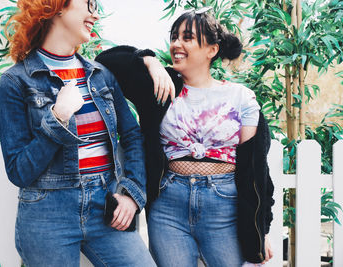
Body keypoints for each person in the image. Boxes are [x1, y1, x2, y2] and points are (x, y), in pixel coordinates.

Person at [96, 8, 275, 267]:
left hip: (224, 206)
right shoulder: (161, 88)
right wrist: (150, 61)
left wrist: (261, 231)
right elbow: (106, 61)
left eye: (187, 37)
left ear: (212, 50)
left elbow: (255, 170)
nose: (176, 44)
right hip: (169, 206)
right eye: (174, 37)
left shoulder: (240, 98)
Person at [0, 0, 157, 266]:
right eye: (89, 4)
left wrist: (131, 194)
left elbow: (132, 137)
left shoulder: (101, 76)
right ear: (57, 7)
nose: (95, 13)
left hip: (105, 207)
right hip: (47, 216)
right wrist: (58, 118)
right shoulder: (16, 81)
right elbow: (18, 171)